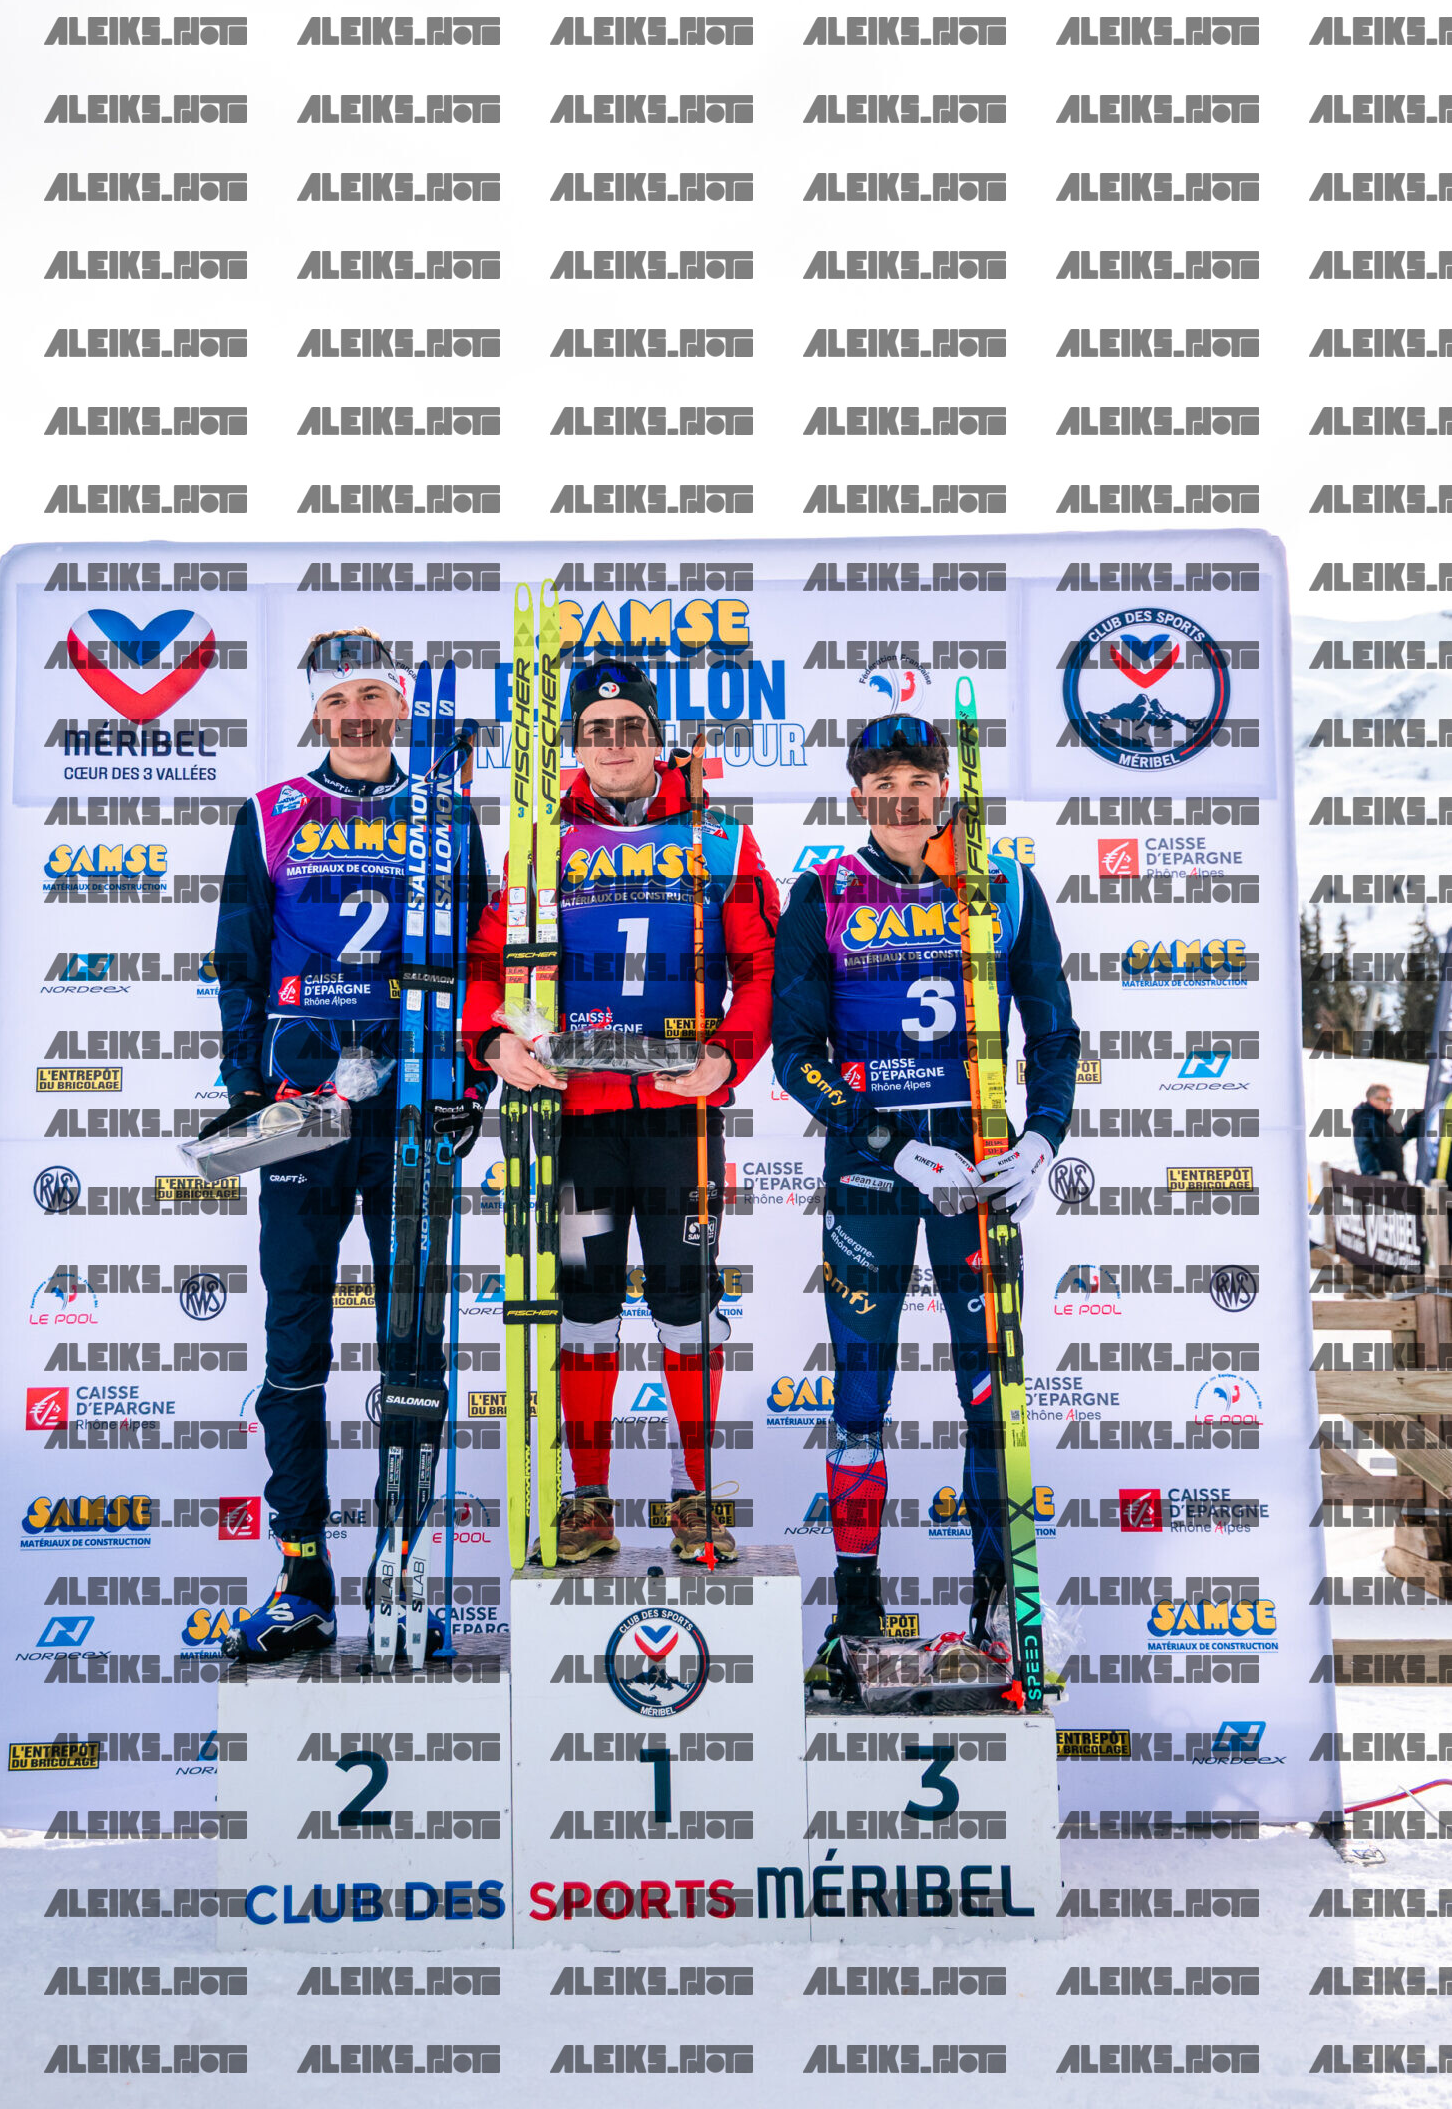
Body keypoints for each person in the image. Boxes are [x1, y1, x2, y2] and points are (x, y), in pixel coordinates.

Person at [771, 712, 1080, 1691]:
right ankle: (855, 1614)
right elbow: (794, 1055)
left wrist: (1043, 1137)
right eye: (883, 786)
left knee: (989, 1393)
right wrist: (893, 1147)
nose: (903, 801)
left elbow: (1054, 1032)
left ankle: (996, 1605)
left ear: (944, 788)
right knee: (860, 1397)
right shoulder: (823, 891)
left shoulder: (1003, 884)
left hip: (979, 1173)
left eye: (919, 783)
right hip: (874, 1177)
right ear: (858, 796)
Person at [209, 626, 491, 1660]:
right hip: (305, 1107)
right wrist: (249, 1092)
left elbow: (480, 957)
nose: (356, 715)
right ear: (318, 713)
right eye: (337, 700)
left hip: (411, 1105)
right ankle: (302, 1577)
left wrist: (471, 1083)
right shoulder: (272, 812)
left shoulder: (447, 815)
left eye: (373, 695)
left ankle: (402, 1565)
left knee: (413, 1346)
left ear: (400, 705)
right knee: (295, 1344)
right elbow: (238, 961)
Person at [461, 656, 780, 1566]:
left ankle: (695, 1497)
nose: (613, 744)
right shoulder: (540, 842)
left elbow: (762, 968)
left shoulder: (719, 838)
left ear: (655, 737)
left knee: (686, 1301)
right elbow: (487, 967)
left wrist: (727, 1054)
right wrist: (494, 1044)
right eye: (595, 731)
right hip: (578, 1118)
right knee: (586, 1301)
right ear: (576, 745)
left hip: (678, 1115)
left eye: (630, 727)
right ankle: (588, 1500)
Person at [1353, 1080, 1419, 1180]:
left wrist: (1412, 1124)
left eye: (1390, 1099)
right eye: (1387, 1099)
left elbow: (1393, 1144)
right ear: (1373, 1100)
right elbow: (1364, 1147)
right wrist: (1374, 1175)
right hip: (1384, 1183)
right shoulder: (1366, 1119)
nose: (1390, 1103)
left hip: (1394, 1180)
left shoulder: (1381, 1121)